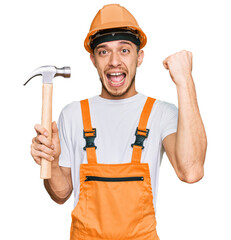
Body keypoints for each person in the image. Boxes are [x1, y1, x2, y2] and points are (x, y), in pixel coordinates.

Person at [30, 4, 207, 240]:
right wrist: (50, 162)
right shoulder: (72, 114)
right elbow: (61, 194)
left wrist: (185, 80)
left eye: (124, 50)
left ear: (139, 56)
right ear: (93, 59)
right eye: (104, 52)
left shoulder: (161, 113)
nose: (114, 61)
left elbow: (192, 171)